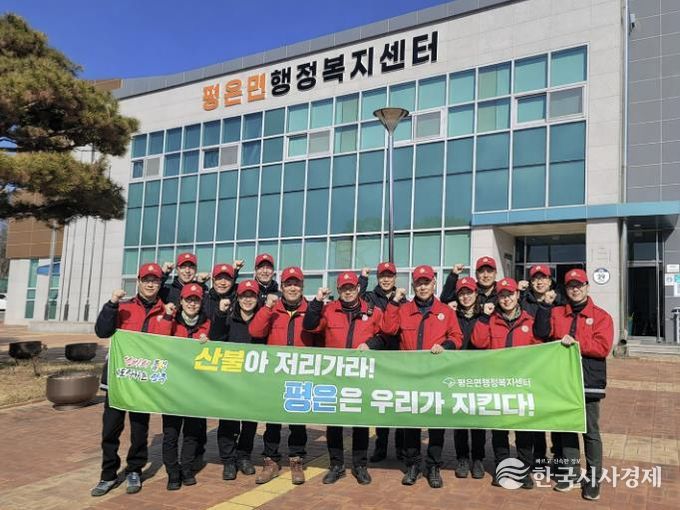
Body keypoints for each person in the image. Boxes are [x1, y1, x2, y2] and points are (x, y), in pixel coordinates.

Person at [379, 265, 463, 488]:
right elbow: (388, 329)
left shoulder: (446, 311)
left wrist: (445, 346)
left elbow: (457, 337)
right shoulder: (403, 309)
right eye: (419, 283)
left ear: (434, 284)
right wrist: (394, 302)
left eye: (427, 282)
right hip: (410, 377)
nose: (423, 287)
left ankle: (434, 466)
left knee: (436, 424)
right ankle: (413, 465)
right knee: (411, 423)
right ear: (413, 285)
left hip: (436, 377)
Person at [533, 269, 613, 501]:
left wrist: (576, 342)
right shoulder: (557, 312)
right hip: (562, 382)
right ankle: (570, 474)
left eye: (579, 285)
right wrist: (545, 306)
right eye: (570, 286)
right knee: (567, 428)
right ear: (565, 290)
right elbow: (541, 334)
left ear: (587, 286)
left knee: (590, 431)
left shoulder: (601, 316)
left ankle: (594, 479)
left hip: (589, 382)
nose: (575, 289)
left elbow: (602, 347)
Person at [91, 263, 166, 497]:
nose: (150, 284)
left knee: (139, 430)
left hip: (143, 382)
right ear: (139, 281)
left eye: (155, 280)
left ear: (160, 283)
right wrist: (111, 304)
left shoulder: (166, 312)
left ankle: (135, 469)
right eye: (146, 280)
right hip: (118, 379)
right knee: (110, 430)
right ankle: (108, 474)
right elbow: (102, 331)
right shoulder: (123, 307)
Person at [303, 271, 385, 486]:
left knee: (360, 422)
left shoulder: (373, 312)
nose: (348, 292)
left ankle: (360, 465)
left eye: (351, 287)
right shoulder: (329, 310)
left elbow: (385, 336)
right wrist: (316, 302)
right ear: (339, 290)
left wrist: (371, 344)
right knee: (334, 423)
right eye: (344, 288)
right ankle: (336, 465)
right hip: (334, 376)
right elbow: (309, 326)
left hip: (361, 377)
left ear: (358, 288)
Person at [248, 267, 322, 485]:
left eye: (296, 284)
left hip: (301, 374)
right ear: (281, 287)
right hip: (276, 375)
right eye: (288, 284)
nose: (292, 288)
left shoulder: (311, 310)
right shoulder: (273, 309)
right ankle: (270, 461)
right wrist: (267, 308)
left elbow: (320, 334)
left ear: (302, 287)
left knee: (298, 421)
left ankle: (296, 460)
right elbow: (255, 331)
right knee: (272, 421)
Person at [471, 277, 540, 490]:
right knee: (499, 431)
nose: (506, 299)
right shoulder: (490, 320)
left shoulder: (529, 321)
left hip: (521, 385)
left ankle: (524, 470)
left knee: (524, 431)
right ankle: (502, 468)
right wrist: (484, 317)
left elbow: (539, 350)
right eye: (502, 295)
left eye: (510, 294)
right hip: (497, 384)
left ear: (517, 295)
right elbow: (478, 342)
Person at [154, 283, 212, 490]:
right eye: (188, 300)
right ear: (181, 301)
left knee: (192, 433)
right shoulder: (171, 321)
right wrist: (168, 317)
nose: (192, 304)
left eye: (196, 300)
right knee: (170, 434)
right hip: (172, 388)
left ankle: (186, 469)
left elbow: (215, 352)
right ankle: (172, 473)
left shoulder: (207, 324)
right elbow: (159, 340)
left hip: (196, 389)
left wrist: (209, 343)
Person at [209, 279, 262, 481]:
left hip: (254, 381)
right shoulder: (228, 317)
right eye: (243, 296)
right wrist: (221, 314)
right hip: (230, 381)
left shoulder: (263, 319)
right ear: (237, 298)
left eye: (251, 296)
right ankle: (228, 460)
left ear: (257, 298)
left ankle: (244, 456)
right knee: (228, 421)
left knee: (249, 422)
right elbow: (216, 337)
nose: (247, 300)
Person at [359, 261, 406, 463]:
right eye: (382, 276)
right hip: (377, 356)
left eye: (390, 276)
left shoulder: (403, 299)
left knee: (400, 404)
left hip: (399, 358)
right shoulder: (369, 297)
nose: (386, 279)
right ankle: (381, 447)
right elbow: (356, 298)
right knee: (382, 403)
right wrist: (362, 279)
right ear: (377, 278)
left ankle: (401, 448)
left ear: (395, 278)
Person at [518, 264, 563, 471]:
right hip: (530, 364)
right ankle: (538, 457)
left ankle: (558, 455)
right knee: (533, 412)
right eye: (535, 278)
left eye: (543, 278)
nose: (539, 282)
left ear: (550, 280)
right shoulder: (523, 301)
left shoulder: (560, 302)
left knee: (554, 412)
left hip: (553, 365)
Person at [451, 276, 487, 480]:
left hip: (479, 374)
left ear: (476, 293)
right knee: (460, 419)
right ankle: (462, 458)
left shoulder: (486, 315)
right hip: (457, 374)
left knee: (477, 419)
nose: (466, 297)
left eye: (469, 292)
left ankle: (478, 459)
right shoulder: (451, 315)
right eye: (462, 293)